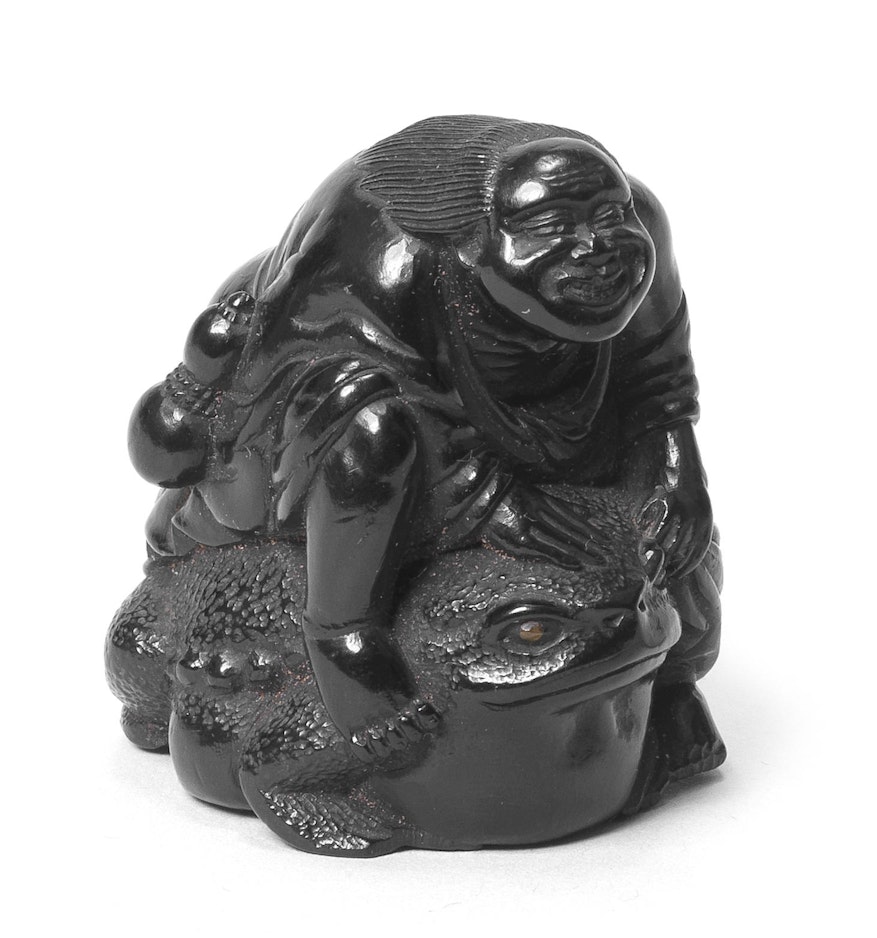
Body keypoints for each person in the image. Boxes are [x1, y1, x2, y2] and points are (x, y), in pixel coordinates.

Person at [128, 116, 722, 780]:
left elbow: (658, 378)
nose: (595, 247)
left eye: (609, 217)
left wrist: (680, 479)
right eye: (550, 225)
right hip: (322, 465)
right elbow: (331, 408)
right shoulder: (382, 266)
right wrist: (495, 503)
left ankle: (669, 685)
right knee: (369, 425)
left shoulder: (644, 226)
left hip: (549, 434)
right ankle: (343, 640)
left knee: (671, 530)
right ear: (469, 243)